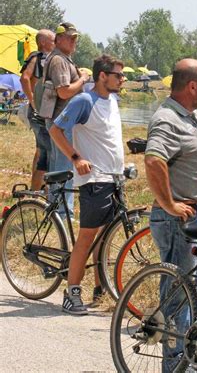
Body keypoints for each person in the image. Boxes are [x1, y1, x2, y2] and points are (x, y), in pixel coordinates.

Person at [144, 59, 197, 373]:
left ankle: (183, 360)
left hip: (189, 217)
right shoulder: (168, 118)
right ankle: (173, 367)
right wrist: (170, 203)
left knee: (187, 291)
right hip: (176, 220)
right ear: (192, 87)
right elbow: (154, 159)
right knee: (177, 295)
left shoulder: (187, 117)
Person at [49, 54, 125, 315]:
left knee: (105, 236)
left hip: (114, 178)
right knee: (87, 236)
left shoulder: (113, 100)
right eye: (118, 75)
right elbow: (56, 130)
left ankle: (100, 288)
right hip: (93, 180)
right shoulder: (84, 100)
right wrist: (75, 157)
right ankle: (72, 292)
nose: (123, 79)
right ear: (102, 76)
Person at [45, 22, 89, 217]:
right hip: (61, 122)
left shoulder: (62, 59)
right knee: (65, 167)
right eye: (70, 38)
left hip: (58, 120)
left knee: (58, 167)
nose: (74, 41)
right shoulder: (59, 61)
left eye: (75, 38)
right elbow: (63, 92)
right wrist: (83, 79)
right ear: (59, 39)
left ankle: (55, 210)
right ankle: (63, 213)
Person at [19, 29, 55, 190]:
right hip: (37, 112)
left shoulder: (50, 60)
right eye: (52, 40)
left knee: (41, 150)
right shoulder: (36, 57)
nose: (55, 42)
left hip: (44, 111)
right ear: (43, 43)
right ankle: (36, 191)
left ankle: (39, 188)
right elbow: (24, 78)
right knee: (46, 151)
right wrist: (32, 99)